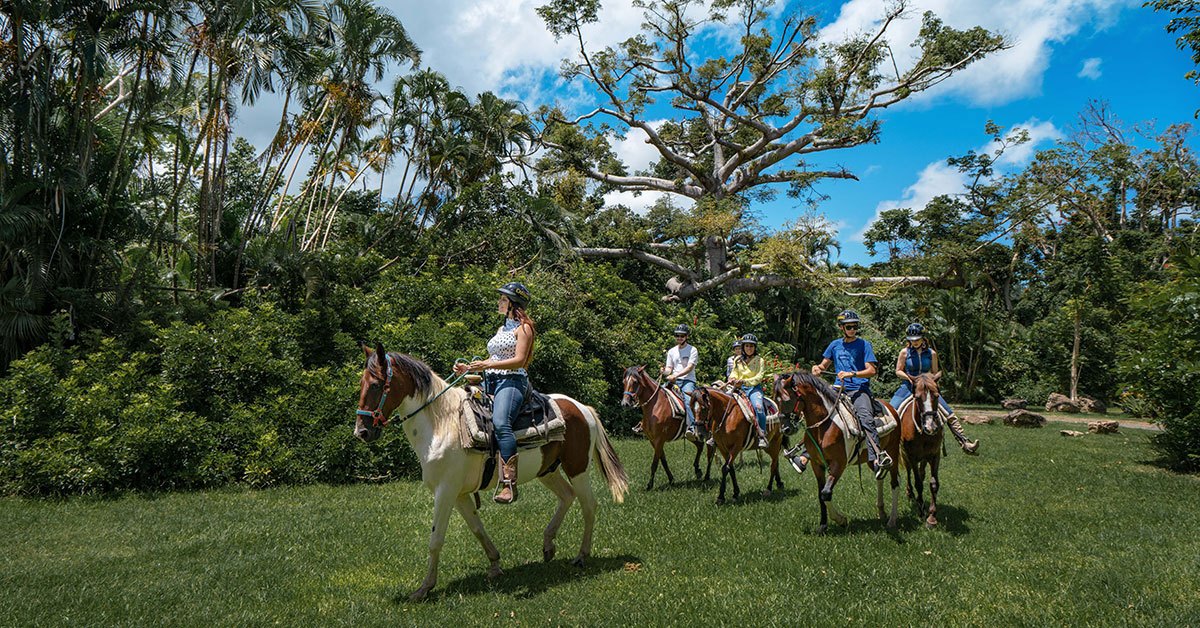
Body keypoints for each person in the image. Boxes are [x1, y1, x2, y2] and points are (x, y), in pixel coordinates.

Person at [453, 282, 535, 504]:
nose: (499, 302)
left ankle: (509, 484)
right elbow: (494, 359)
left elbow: (519, 360)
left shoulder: (523, 328)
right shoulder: (502, 329)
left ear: (512, 304)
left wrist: (487, 366)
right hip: (492, 381)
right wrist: (470, 368)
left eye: (503, 299)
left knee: (500, 423)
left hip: (512, 381)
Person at [811, 310, 892, 479]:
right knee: (816, 413)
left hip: (859, 390)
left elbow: (872, 370)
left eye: (855, 326)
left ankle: (876, 457)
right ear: (842, 328)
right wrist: (817, 369)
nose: (853, 329)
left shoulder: (864, 345)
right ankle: (804, 453)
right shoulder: (834, 345)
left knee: (866, 418)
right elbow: (824, 365)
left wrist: (852, 374)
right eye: (849, 326)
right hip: (836, 389)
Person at [890, 322, 979, 454]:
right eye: (912, 340)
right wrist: (908, 377)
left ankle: (964, 442)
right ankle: (887, 447)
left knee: (949, 414)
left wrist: (930, 381)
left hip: (926, 388)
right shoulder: (904, 352)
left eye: (917, 339)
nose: (914, 342)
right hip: (908, 386)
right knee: (892, 412)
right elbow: (898, 371)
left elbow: (935, 372)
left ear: (923, 338)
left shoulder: (931, 353)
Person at [729, 333, 769, 448]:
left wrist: (744, 382)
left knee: (758, 407)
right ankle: (715, 433)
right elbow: (734, 373)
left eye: (751, 346)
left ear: (755, 348)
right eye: (746, 346)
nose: (749, 348)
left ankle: (762, 434)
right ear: (743, 347)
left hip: (753, 389)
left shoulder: (759, 360)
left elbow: (759, 377)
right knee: (722, 402)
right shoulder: (737, 360)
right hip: (738, 388)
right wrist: (732, 378)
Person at [662, 324, 700, 439]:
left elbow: (689, 368)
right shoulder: (671, 351)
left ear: (687, 336)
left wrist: (675, 375)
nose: (679, 338)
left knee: (689, 401)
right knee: (656, 395)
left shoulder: (692, 350)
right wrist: (664, 371)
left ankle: (693, 427)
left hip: (687, 381)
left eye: (682, 336)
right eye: (677, 335)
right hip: (674, 380)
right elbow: (669, 368)